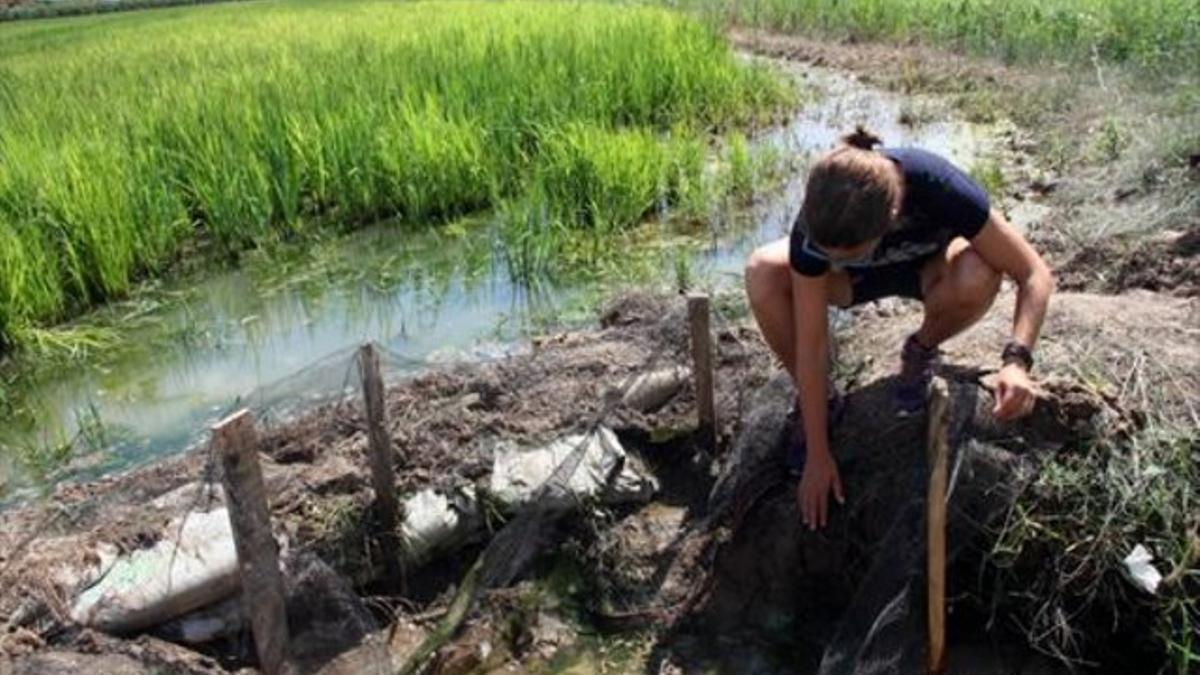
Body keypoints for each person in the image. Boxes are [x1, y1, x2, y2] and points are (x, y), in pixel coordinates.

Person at [743, 127, 1054, 531]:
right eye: (823, 252)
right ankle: (821, 400)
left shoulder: (938, 185)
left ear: (890, 220)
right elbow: (812, 343)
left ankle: (922, 348)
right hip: (851, 284)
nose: (824, 255)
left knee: (980, 270)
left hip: (929, 271)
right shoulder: (815, 229)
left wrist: (1016, 361)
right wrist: (819, 454)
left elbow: (1034, 273)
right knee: (763, 272)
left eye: (845, 252)